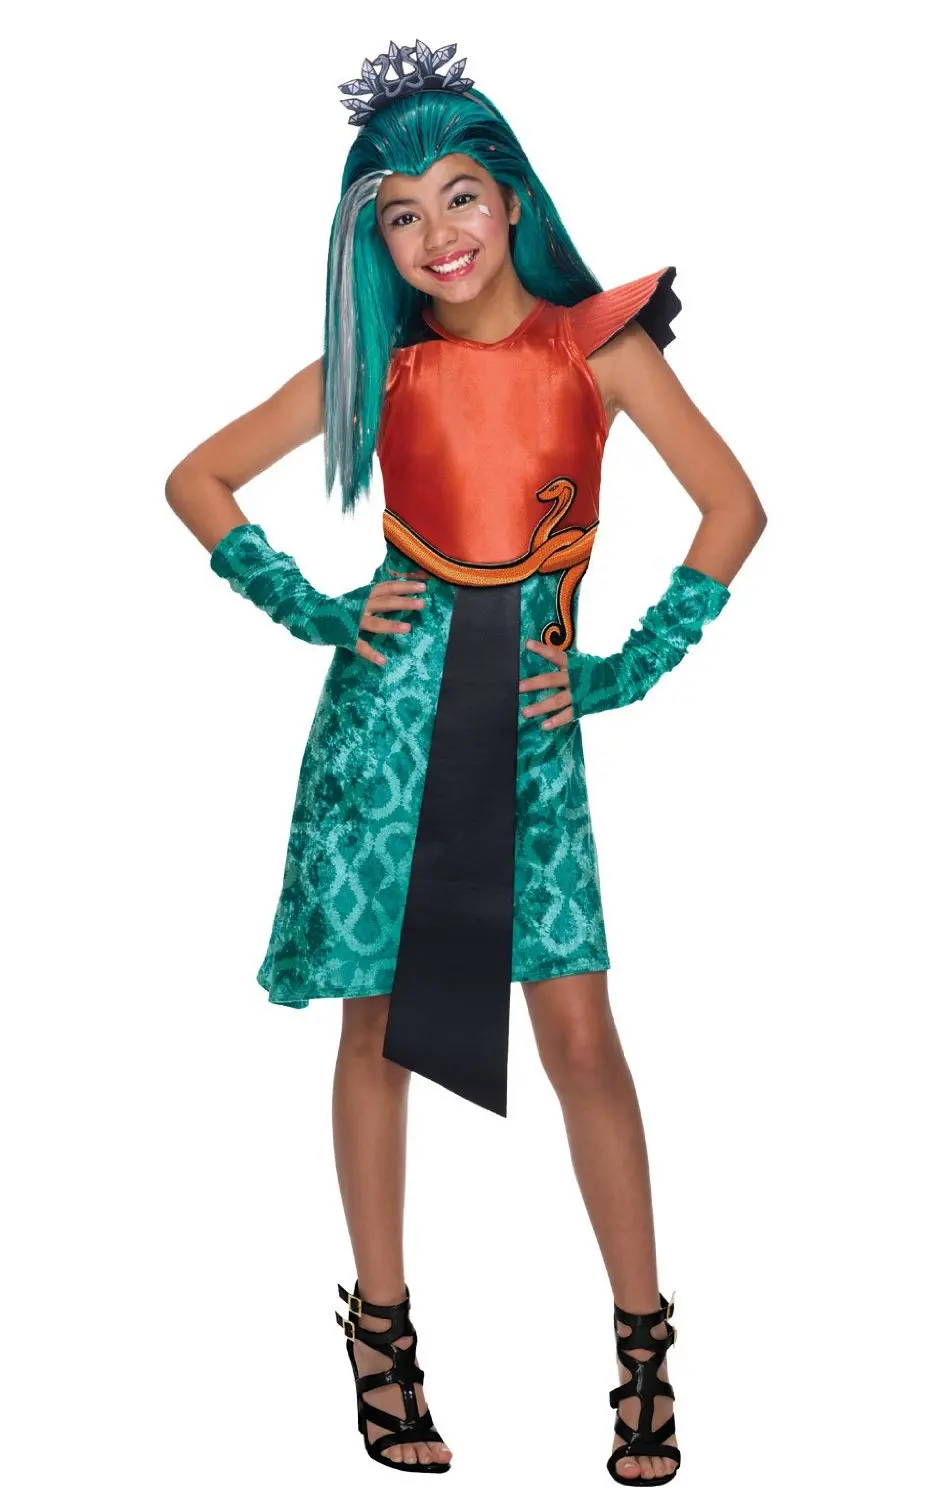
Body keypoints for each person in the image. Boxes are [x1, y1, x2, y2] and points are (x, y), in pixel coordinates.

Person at [165, 38, 766, 1486]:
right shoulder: (378, 368)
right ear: (371, 240)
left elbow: (734, 508)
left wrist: (623, 669)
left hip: (530, 731)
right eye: (398, 215)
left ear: (509, 201)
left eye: (458, 198)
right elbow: (196, 478)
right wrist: (314, 609)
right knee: (375, 1022)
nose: (435, 235)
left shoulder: (596, 348)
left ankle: (642, 1348)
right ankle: (381, 1334)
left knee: (580, 1037)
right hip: (384, 728)